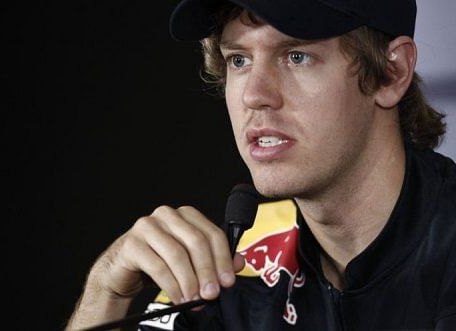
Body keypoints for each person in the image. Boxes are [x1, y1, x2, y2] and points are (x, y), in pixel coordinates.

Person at [66, 0, 456, 330]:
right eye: (239, 59)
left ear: (392, 73)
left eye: (296, 56)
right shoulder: (239, 261)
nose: (255, 94)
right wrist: (107, 294)